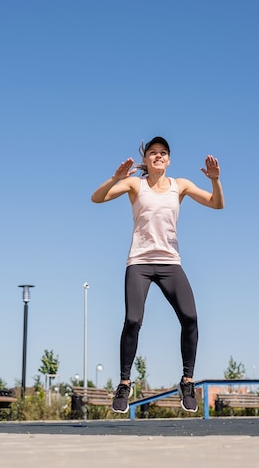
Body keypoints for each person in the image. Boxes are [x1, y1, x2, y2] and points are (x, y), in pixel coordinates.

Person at [91, 136, 224, 414]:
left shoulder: (181, 185)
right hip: (139, 262)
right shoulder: (134, 185)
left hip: (170, 263)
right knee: (133, 319)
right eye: (153, 153)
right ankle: (125, 384)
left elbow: (216, 203)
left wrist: (215, 180)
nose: (159, 156)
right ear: (147, 159)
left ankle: (187, 382)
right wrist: (115, 177)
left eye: (163, 153)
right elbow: (97, 198)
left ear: (169, 159)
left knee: (190, 318)